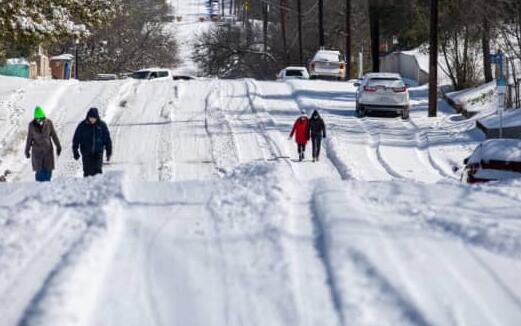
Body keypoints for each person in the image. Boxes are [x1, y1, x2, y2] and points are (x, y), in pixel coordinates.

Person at [24, 106, 62, 182]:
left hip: (48, 151)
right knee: (40, 174)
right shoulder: (31, 125)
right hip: (37, 153)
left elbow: (54, 135)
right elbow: (29, 139)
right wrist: (27, 151)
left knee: (48, 173)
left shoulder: (49, 123)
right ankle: (39, 190)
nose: (39, 120)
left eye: (40, 118)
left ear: (43, 116)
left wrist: (58, 146)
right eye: (37, 119)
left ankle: (47, 191)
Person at [72, 108, 112, 177]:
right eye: (91, 118)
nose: (92, 120)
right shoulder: (82, 125)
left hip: (98, 153)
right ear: (88, 117)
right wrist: (75, 151)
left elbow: (107, 140)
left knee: (98, 171)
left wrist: (109, 152)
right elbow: (76, 139)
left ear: (97, 117)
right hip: (86, 153)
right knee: (87, 172)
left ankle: (97, 187)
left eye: (94, 118)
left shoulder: (102, 125)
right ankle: (87, 187)